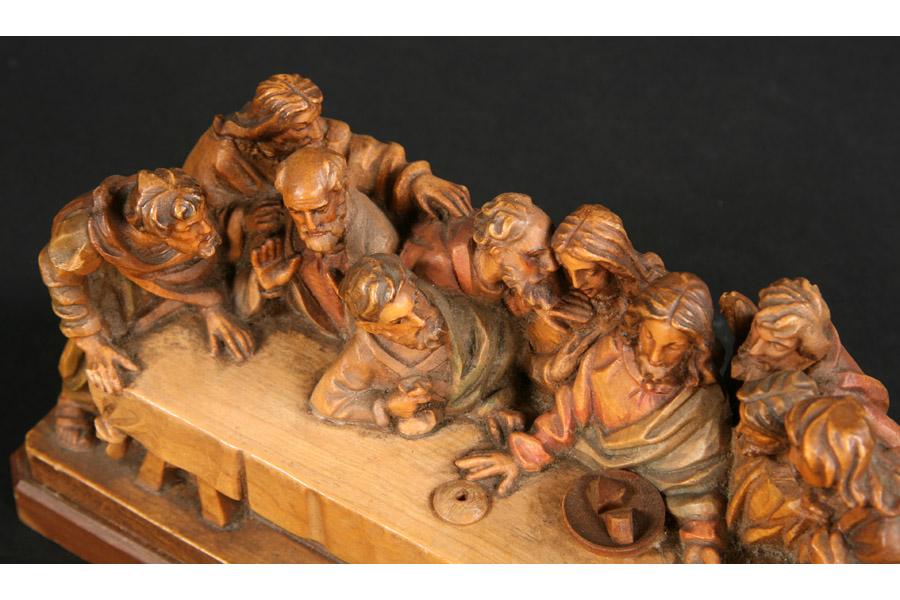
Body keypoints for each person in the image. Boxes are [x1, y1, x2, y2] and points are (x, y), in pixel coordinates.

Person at [456, 272, 730, 563]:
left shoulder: (701, 407)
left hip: (647, 518)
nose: (654, 356)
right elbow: (568, 417)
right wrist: (520, 459)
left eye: (672, 346)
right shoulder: (609, 356)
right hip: (572, 478)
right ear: (638, 326)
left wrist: (701, 542)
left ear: (694, 347)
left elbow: (696, 486)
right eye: (649, 337)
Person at [38, 168, 254, 450]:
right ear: (150, 232)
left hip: (172, 294)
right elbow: (58, 275)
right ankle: (78, 401)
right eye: (192, 227)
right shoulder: (87, 237)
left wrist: (210, 306)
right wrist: (91, 341)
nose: (207, 230)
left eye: (203, 219)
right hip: (112, 285)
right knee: (107, 341)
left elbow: (204, 265)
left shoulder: (189, 208)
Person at [184, 73, 472, 237]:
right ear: (268, 128)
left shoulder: (329, 139)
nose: (315, 131)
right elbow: (193, 219)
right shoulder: (224, 158)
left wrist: (416, 180)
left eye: (316, 118)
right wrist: (242, 222)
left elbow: (376, 162)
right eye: (301, 126)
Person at [310, 254, 519, 441]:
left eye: (417, 301)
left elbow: (503, 367)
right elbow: (326, 400)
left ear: (414, 282)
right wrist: (386, 406)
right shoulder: (366, 350)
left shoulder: (471, 322)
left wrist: (494, 406)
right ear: (376, 329)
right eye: (400, 322)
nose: (421, 320)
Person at [233, 147, 398, 339]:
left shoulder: (378, 245)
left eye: (320, 210)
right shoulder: (281, 223)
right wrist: (263, 286)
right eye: (297, 212)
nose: (310, 225)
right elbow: (239, 307)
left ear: (341, 192)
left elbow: (374, 332)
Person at [529, 204, 666, 388]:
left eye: (589, 272)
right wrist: (551, 371)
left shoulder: (653, 295)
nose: (577, 283)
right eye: (568, 271)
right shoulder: (562, 300)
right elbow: (525, 363)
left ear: (613, 264)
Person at [400, 192, 558, 316]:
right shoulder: (432, 266)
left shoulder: (515, 281)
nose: (552, 266)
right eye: (534, 256)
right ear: (497, 252)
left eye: (551, 252)